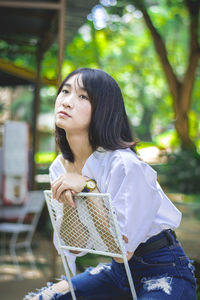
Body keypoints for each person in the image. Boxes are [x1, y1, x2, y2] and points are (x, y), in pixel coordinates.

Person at [24, 68, 196, 300]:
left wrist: (88, 186)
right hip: (117, 272)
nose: (66, 102)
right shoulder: (60, 166)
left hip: (163, 268)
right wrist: (70, 199)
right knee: (43, 298)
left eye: (82, 96)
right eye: (65, 91)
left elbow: (122, 251)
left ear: (103, 110)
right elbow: (75, 247)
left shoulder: (124, 165)